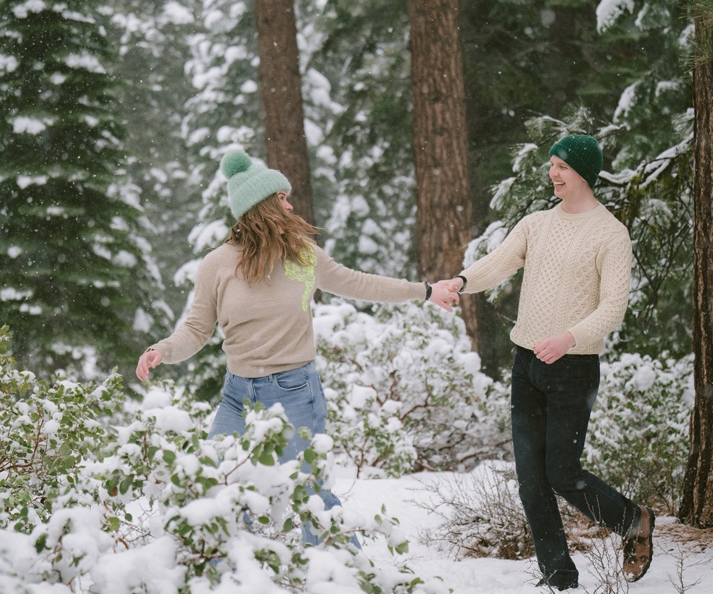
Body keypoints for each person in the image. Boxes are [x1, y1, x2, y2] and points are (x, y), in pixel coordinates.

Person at [136, 149, 458, 547]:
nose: (291, 205)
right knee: (218, 483)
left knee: (310, 493)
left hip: (294, 392)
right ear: (262, 207)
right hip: (238, 395)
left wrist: (425, 291)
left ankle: (345, 575)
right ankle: (234, 572)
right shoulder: (217, 264)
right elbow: (198, 328)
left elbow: (358, 283)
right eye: (282, 198)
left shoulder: (302, 255)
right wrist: (163, 350)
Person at [440, 134, 654, 590]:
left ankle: (634, 521)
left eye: (561, 166)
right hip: (527, 365)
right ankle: (558, 575)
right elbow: (497, 263)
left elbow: (613, 307)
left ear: (584, 174)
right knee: (530, 480)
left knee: (562, 473)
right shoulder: (536, 224)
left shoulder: (610, 234)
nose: (552, 173)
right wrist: (460, 281)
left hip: (573, 368)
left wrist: (568, 338)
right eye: (551, 164)